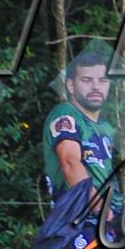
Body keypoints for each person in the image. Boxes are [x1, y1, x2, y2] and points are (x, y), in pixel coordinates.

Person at [42, 48, 118, 202]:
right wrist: (100, 208)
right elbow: (70, 163)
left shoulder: (107, 127)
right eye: (87, 80)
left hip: (112, 211)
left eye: (102, 80)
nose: (96, 86)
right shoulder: (66, 114)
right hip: (79, 212)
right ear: (70, 85)